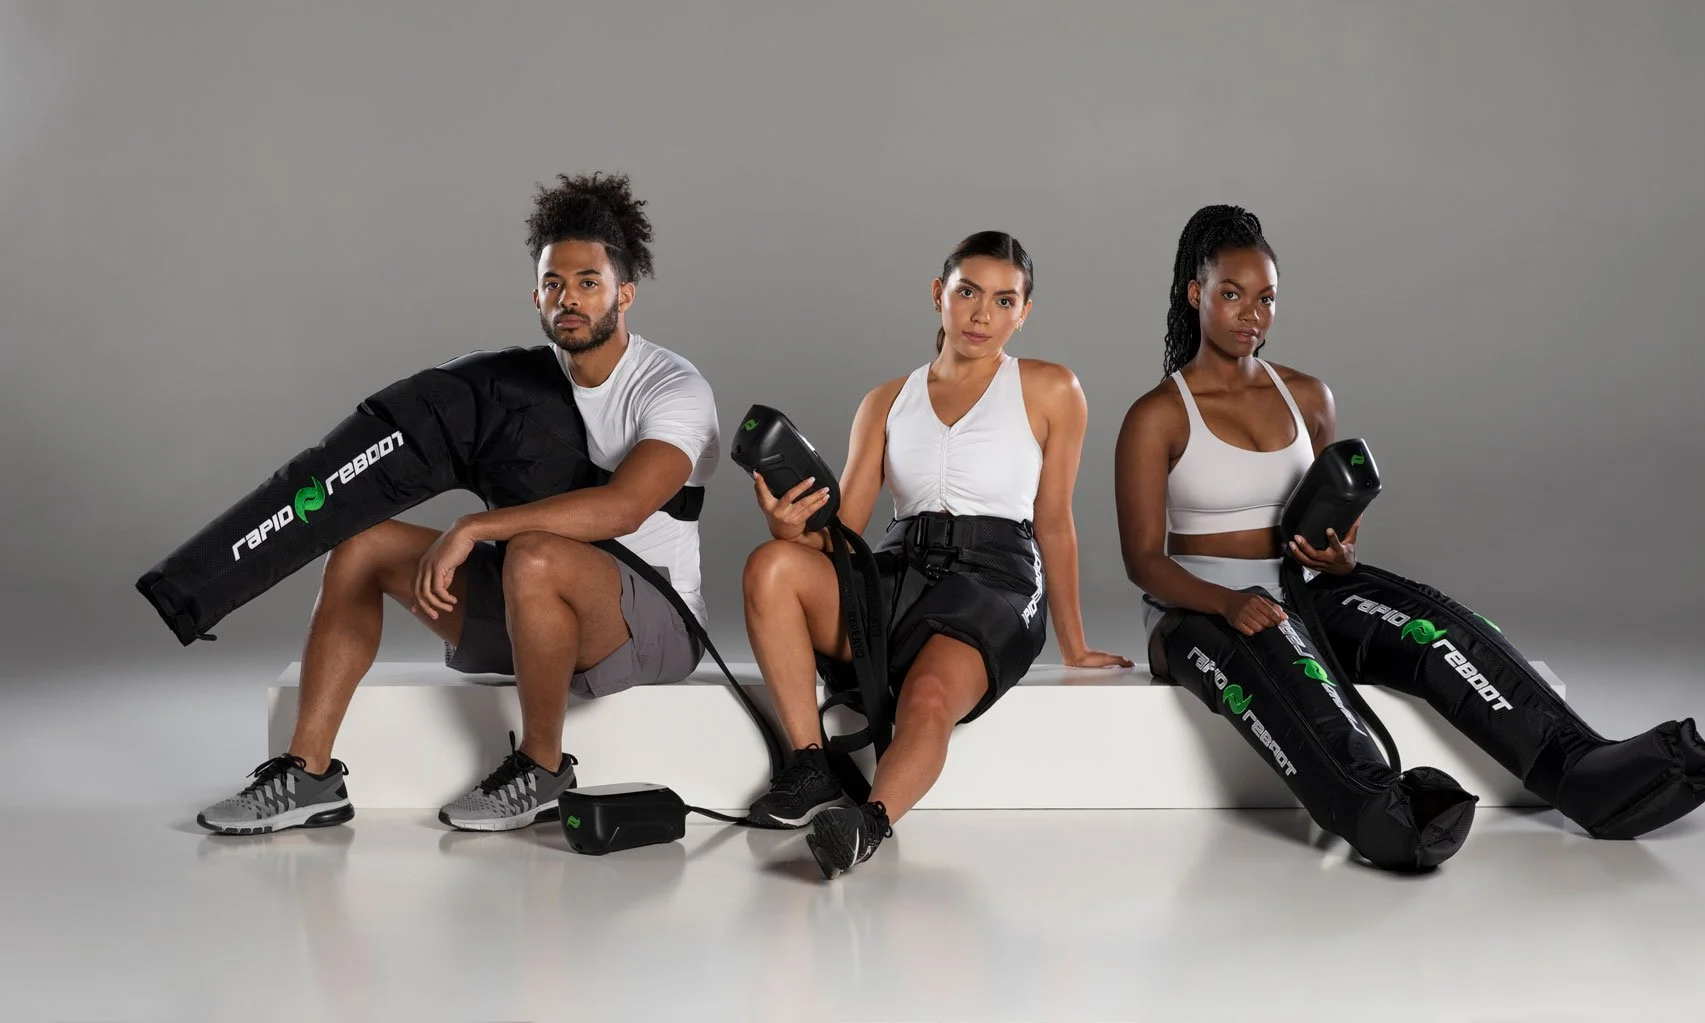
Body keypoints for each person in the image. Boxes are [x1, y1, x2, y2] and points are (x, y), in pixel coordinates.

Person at [1115, 205, 1705, 869]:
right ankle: (1377, 809)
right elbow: (1143, 561)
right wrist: (1228, 603)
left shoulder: (1308, 397)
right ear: (1196, 293)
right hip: (1196, 610)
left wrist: (1340, 552)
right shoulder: (1156, 415)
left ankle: (1580, 767)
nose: (1251, 314)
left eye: (1266, 298)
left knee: (1428, 626)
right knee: (1274, 652)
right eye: (1232, 295)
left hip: (1303, 586)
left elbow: (1336, 518)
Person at [195, 173, 720, 834]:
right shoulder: (524, 382)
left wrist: (474, 526)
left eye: (589, 281)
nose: (570, 298)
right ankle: (308, 773)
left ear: (625, 292)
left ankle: (542, 768)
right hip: (540, 606)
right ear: (535, 294)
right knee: (363, 545)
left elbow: (624, 506)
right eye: (554, 283)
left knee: (529, 554)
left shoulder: (673, 386)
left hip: (655, 622)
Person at [739, 231, 1130, 878]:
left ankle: (866, 824)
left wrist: (1076, 643)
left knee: (926, 697)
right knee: (769, 566)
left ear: (1023, 312)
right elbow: (849, 528)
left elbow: (1056, 522)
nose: (982, 314)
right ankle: (810, 766)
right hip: (896, 570)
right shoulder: (887, 400)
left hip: (997, 578)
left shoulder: (1052, 388)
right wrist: (788, 531)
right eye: (968, 292)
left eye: (1004, 300)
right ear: (937, 295)